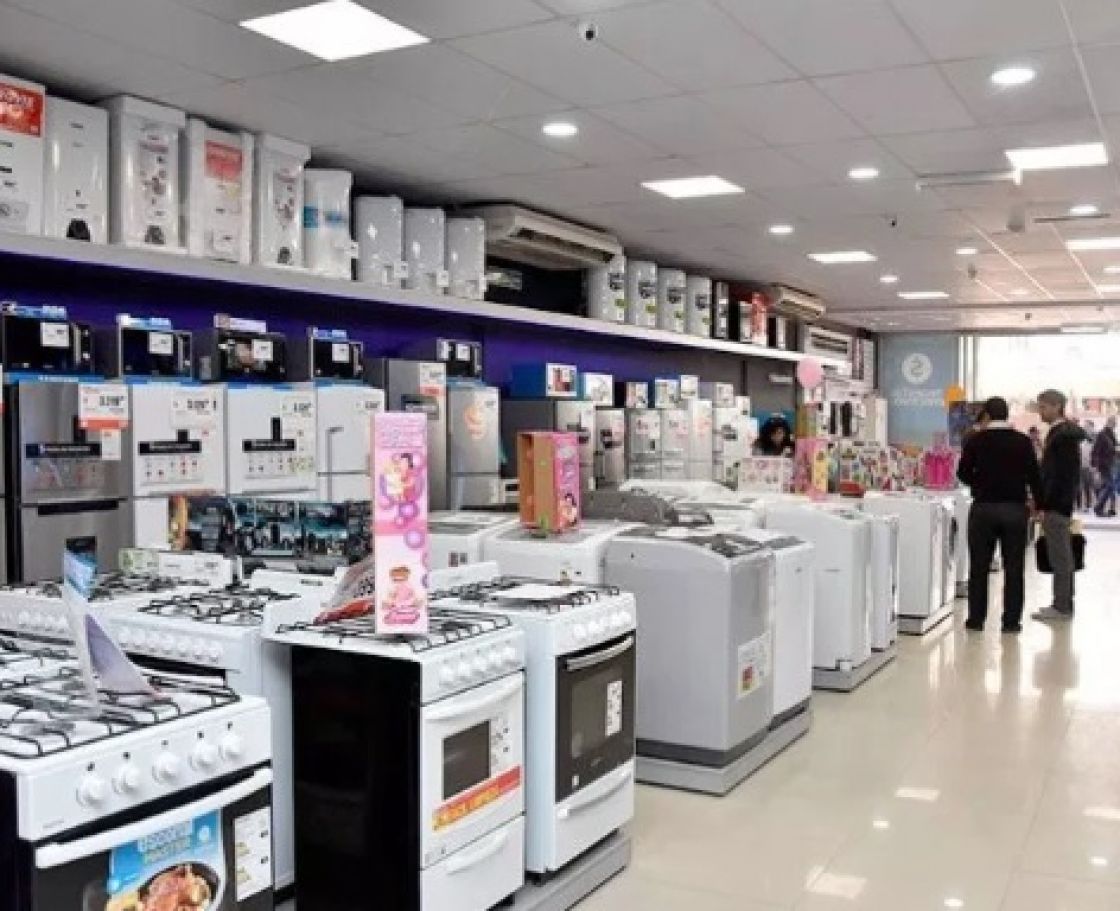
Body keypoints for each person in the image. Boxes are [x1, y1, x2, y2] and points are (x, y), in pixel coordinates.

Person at [956, 397, 1042, 633]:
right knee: (1014, 568)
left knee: (979, 567)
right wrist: (1039, 505)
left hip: (983, 509)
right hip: (1014, 510)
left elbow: (962, 473)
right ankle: (1011, 622)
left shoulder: (975, 440)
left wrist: (980, 483)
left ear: (987, 414)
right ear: (1006, 414)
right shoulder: (1023, 442)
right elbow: (1034, 476)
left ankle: (976, 620)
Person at [1033, 389, 1087, 622]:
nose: (1040, 412)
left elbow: (1058, 475)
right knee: (1062, 554)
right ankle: (1063, 603)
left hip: (1057, 504)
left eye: (1043, 407)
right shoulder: (1062, 434)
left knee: (1060, 556)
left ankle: (1061, 606)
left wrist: (1044, 504)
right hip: (1060, 502)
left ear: (1057, 406)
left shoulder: (1062, 436)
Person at [1092, 416, 1118, 517]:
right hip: (1103, 464)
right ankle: (1098, 507)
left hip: (1111, 464)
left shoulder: (1112, 435)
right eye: (1113, 422)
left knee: (1108, 486)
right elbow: (1095, 450)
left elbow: (1115, 448)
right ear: (1108, 422)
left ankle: (1110, 508)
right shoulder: (1102, 434)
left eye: (1115, 423)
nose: (1114, 425)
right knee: (1109, 486)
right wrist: (1095, 466)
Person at [1079, 420, 1096, 512]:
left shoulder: (1095, 438)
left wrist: (1094, 466)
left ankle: (1097, 505)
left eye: (1087, 426)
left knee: (1095, 486)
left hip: (1092, 466)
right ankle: (1087, 505)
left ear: (1092, 427)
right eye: (1085, 426)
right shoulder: (1081, 439)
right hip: (1083, 466)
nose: (1085, 428)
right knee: (1085, 486)